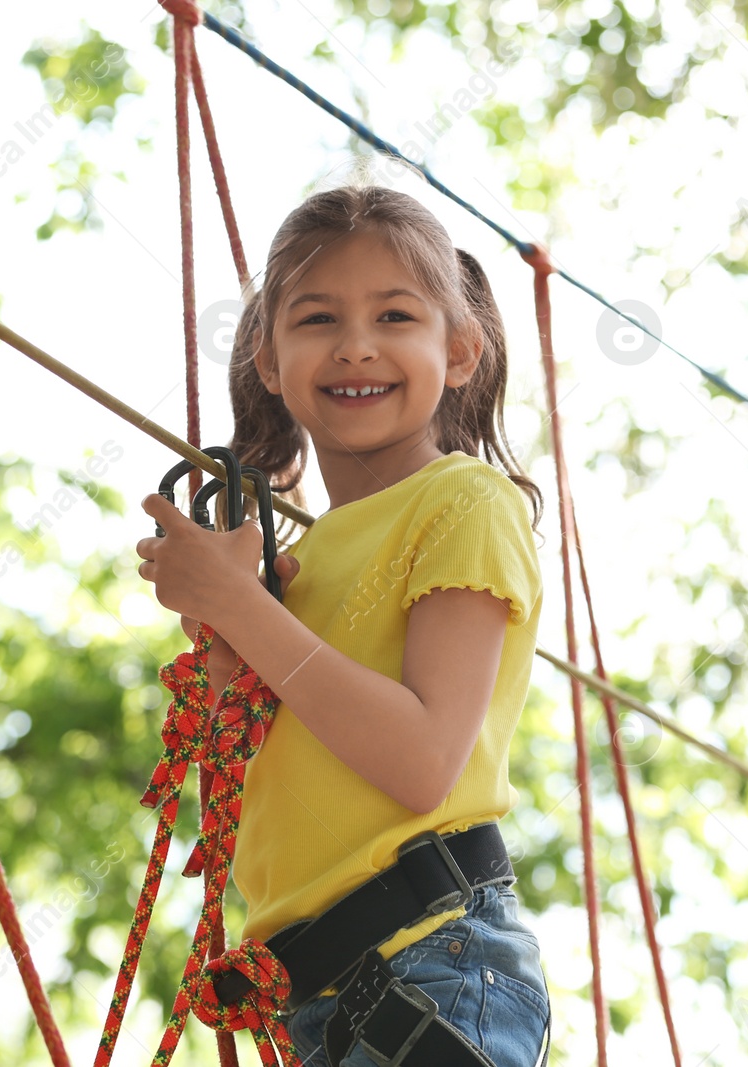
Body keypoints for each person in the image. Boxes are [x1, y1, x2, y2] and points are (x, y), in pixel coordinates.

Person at [135, 182, 551, 1067]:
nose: (356, 346)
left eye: (395, 315)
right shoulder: (298, 566)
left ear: (462, 348)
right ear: (268, 356)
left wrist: (242, 607)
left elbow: (420, 760)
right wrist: (226, 638)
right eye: (317, 319)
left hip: (434, 965)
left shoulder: (464, 501)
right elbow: (278, 793)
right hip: (319, 1005)